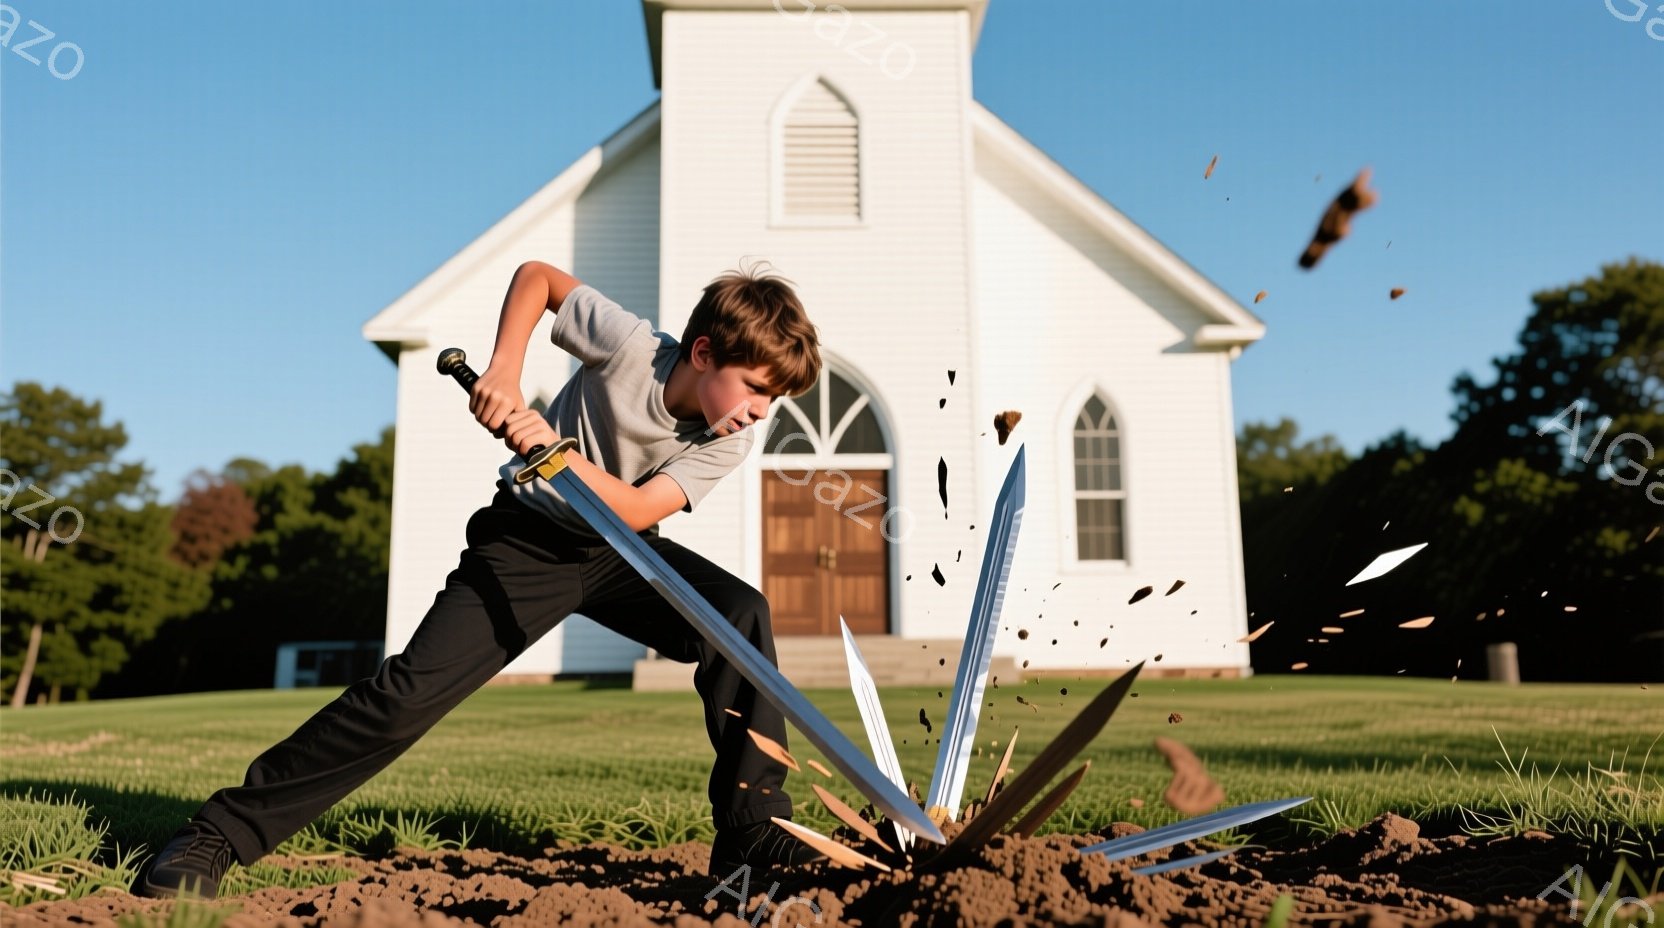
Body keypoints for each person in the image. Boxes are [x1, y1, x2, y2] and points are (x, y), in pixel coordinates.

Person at [131, 259, 827, 898]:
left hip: (625, 550)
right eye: (757, 389)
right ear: (704, 354)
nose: (760, 412)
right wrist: (503, 370)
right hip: (526, 544)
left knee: (738, 615)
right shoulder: (633, 345)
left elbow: (640, 507)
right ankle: (216, 834)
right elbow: (538, 280)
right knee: (405, 694)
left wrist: (555, 452)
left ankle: (752, 831)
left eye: (773, 399)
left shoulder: (729, 435)